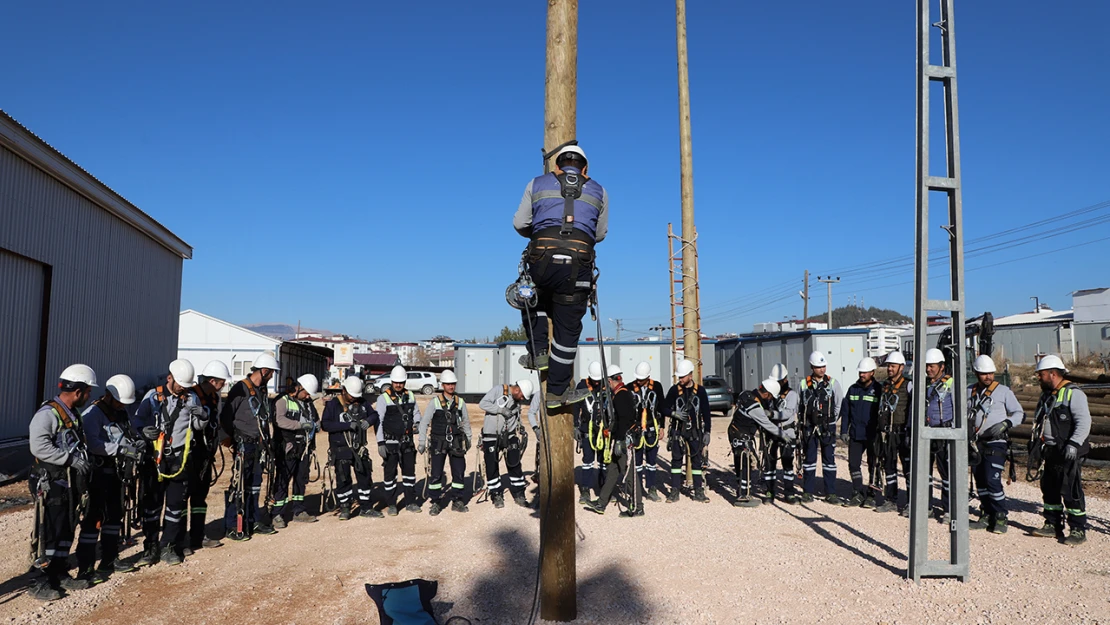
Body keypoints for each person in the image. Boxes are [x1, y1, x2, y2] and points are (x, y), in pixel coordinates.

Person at [514, 144, 609, 408]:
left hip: (542, 258)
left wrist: (543, 230)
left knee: (531, 297)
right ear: (585, 169)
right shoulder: (600, 191)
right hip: (579, 264)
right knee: (568, 331)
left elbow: (519, 223)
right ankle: (556, 393)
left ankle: (539, 352)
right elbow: (599, 234)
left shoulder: (536, 184)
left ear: (556, 166)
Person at [28, 364, 96, 601]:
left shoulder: (71, 413)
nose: (89, 397)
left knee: (66, 529)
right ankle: (38, 579)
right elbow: (38, 446)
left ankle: (58, 571)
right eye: (88, 392)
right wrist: (70, 459)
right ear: (78, 391)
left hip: (68, 482)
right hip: (52, 482)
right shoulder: (48, 413)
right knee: (50, 531)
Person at [133, 359, 207, 566]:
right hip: (155, 460)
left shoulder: (191, 398)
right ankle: (151, 546)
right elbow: (138, 421)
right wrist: (142, 431)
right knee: (152, 506)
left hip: (179, 459)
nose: (183, 388)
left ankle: (169, 546)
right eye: (180, 384)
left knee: (176, 506)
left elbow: (199, 427)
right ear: (169, 378)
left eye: (186, 385)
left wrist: (203, 416)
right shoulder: (152, 397)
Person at [75, 375, 143, 584]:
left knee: (114, 516)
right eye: (120, 401)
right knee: (93, 519)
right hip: (98, 473)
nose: (123, 405)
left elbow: (128, 432)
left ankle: (109, 559)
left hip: (116, 473)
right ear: (109, 396)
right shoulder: (93, 415)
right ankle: (85, 567)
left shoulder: (120, 412)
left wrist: (138, 442)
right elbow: (93, 444)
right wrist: (122, 450)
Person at [1029, 355, 1090, 546]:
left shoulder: (1074, 393)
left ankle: (1078, 529)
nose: (1038, 378)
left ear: (1052, 373)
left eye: (1041, 374)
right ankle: (1052, 524)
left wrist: (1074, 444)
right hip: (1051, 450)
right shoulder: (1048, 394)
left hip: (1068, 450)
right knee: (1049, 487)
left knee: (1070, 489)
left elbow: (1084, 422)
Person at [220, 354, 281, 541]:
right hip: (243, 444)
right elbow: (225, 417)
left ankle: (252, 520)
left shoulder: (261, 391)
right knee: (239, 485)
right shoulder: (241, 389)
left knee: (255, 485)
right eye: (270, 373)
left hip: (259, 444)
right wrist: (231, 439)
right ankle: (232, 525)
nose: (271, 377)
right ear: (263, 371)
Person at [967, 355, 1024, 533]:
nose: (988, 377)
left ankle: (1000, 516)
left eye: (991, 373)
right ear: (976, 373)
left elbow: (1019, 413)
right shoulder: (969, 391)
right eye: (984, 374)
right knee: (981, 481)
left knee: (992, 480)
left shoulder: (1004, 391)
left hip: (996, 442)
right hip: (976, 443)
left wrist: (1006, 423)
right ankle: (986, 514)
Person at [584, 365, 643, 516]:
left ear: (610, 380)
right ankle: (601, 503)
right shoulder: (619, 394)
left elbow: (624, 419)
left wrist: (619, 440)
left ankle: (638, 507)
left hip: (623, 440)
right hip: (619, 437)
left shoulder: (622, 395)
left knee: (628, 473)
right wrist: (611, 430)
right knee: (612, 472)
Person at [186, 360, 231, 554]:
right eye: (222, 382)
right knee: (181, 498)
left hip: (206, 455)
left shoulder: (215, 398)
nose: (224, 385)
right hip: (190, 454)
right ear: (213, 380)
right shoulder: (192, 396)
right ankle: (179, 540)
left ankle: (197, 535)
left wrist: (224, 440)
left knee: (199, 498)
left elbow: (217, 422)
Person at [321, 377, 381, 520]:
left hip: (359, 448)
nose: (354, 399)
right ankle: (345, 508)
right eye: (352, 396)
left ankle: (366, 507)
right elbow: (326, 425)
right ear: (344, 391)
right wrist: (347, 425)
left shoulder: (362, 403)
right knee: (343, 479)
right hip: (341, 449)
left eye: (356, 397)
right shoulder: (333, 405)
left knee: (365, 476)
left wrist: (368, 421)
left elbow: (374, 415)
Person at [730, 379, 795, 507]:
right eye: (770, 397)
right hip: (741, 435)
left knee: (740, 462)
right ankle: (743, 496)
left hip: (734, 431)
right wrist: (783, 435)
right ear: (767, 394)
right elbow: (767, 424)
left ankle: (741, 491)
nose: (770, 400)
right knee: (745, 462)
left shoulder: (746, 394)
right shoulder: (755, 407)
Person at [418, 370, 473, 515]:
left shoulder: (460, 402)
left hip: (456, 441)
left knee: (459, 472)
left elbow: (466, 422)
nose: (451, 386)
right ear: (442, 385)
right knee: (436, 474)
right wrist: (422, 441)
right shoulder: (434, 402)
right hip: (438, 442)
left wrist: (468, 438)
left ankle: (457, 500)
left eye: (453, 384)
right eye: (448, 384)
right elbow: (424, 423)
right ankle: (435, 502)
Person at [479, 379, 540, 508]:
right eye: (522, 396)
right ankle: (496, 494)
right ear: (517, 390)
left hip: (510, 435)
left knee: (515, 464)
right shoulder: (498, 390)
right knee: (492, 465)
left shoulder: (517, 401)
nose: (523, 399)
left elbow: (516, 416)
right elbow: (483, 403)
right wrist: (500, 410)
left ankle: (519, 493)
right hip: (491, 435)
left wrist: (521, 428)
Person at [271, 374, 321, 527]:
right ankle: (277, 513)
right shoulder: (282, 401)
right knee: (282, 480)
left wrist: (315, 425)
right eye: (305, 392)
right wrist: (300, 424)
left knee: (301, 480)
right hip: (287, 448)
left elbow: (316, 420)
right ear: (298, 387)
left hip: (304, 449)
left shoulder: (308, 404)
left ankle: (299, 510)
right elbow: (279, 420)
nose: (307, 396)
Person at [663, 359, 711, 503]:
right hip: (678, 431)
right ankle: (675, 491)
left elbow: (706, 413)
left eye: (682, 376)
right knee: (676, 461)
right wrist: (673, 414)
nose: (680, 379)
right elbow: (663, 408)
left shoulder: (700, 391)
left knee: (696, 462)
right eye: (679, 376)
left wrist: (707, 431)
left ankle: (698, 491)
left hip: (695, 432)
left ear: (690, 375)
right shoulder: (674, 390)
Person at [799, 352, 844, 504]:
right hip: (809, 428)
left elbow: (838, 405)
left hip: (827, 427)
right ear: (812, 367)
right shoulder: (804, 384)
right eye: (818, 367)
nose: (822, 370)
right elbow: (800, 405)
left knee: (829, 461)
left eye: (823, 366)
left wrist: (831, 421)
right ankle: (808, 492)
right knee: (809, 460)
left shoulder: (833, 383)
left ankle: (830, 493)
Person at [376, 365, 421, 515]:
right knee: (390, 475)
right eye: (396, 382)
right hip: (390, 443)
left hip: (407, 442)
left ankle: (410, 502)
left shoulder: (411, 396)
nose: (398, 385)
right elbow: (379, 421)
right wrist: (380, 442)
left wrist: (417, 424)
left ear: (405, 381)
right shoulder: (384, 398)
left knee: (409, 474)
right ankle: (392, 504)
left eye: (401, 382)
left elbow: (416, 413)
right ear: (391, 381)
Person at [838, 358, 882, 508]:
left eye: (865, 372)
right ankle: (857, 492)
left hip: (872, 435)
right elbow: (846, 412)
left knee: (873, 465)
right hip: (856, 434)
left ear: (872, 373)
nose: (862, 374)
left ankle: (871, 495)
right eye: (860, 372)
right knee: (853, 464)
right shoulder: (853, 389)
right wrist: (844, 431)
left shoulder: (879, 390)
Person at [876, 351, 912, 515]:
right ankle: (890, 499)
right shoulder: (884, 385)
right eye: (889, 366)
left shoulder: (909, 385)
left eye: (893, 366)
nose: (889, 369)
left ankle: (912, 502)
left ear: (901, 367)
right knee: (889, 466)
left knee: (908, 468)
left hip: (903, 432)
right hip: (888, 433)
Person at [922, 348, 955, 521]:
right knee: (925, 473)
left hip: (944, 433)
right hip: (928, 432)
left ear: (942, 367)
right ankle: (925, 506)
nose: (928, 369)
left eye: (932, 366)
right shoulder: (926, 384)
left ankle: (948, 509)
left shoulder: (951, 384)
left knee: (946, 474)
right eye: (927, 366)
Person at [760, 363, 799, 504]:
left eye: (778, 381)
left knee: (787, 463)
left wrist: (771, 413)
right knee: (769, 463)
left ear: (784, 380)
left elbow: (788, 413)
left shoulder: (792, 395)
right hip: (771, 432)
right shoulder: (770, 394)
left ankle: (789, 492)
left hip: (787, 432)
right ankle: (769, 491)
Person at [629, 361, 666, 502]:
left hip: (651, 427)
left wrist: (662, 427)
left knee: (651, 460)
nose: (639, 381)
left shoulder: (656, 387)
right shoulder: (630, 387)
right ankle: (637, 489)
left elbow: (661, 407)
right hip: (637, 428)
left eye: (641, 379)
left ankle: (651, 488)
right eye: (637, 378)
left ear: (648, 376)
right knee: (637, 461)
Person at [574, 362, 606, 503]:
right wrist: (574, 426)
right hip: (587, 429)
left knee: (603, 460)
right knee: (587, 461)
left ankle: (603, 487)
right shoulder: (582, 386)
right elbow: (575, 407)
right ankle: (585, 489)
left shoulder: (605, 385)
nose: (597, 381)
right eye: (595, 379)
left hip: (603, 430)